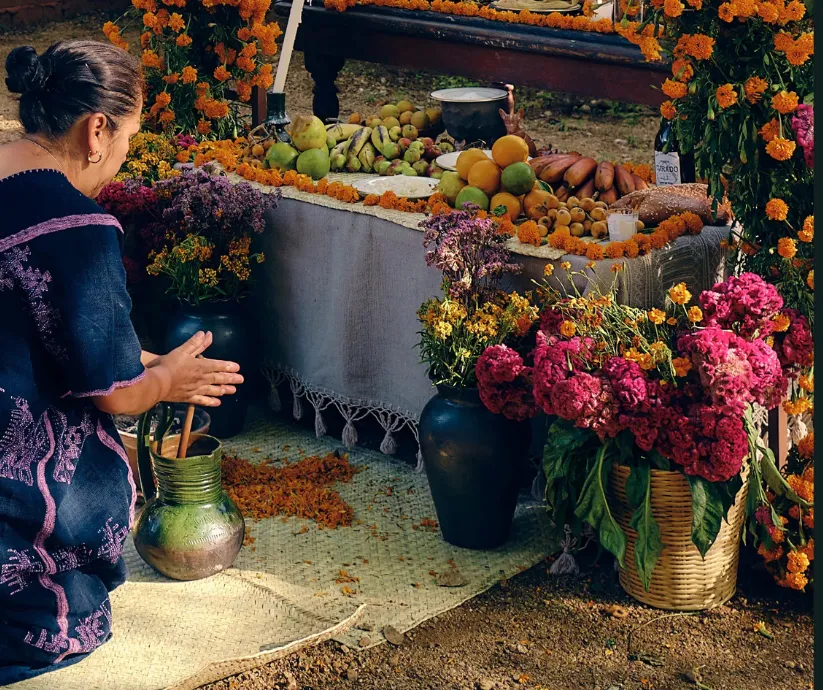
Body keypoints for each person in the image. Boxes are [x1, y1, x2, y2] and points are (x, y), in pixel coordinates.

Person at [0, 41, 245, 684]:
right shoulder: (76, 226)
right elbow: (114, 392)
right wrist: (166, 379)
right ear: (97, 129)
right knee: (60, 620)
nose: (124, 155)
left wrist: (149, 361)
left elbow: (38, 331)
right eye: (131, 135)